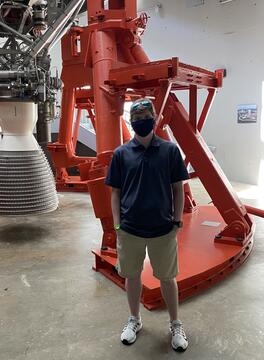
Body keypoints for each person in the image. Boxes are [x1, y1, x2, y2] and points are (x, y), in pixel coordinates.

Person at [104, 98, 189, 352]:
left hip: (163, 228)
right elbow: (115, 193)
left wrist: (177, 220)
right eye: (137, 119)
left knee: (167, 278)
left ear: (154, 118)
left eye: (146, 117)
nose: (142, 122)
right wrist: (118, 225)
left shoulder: (170, 151)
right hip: (130, 229)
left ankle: (175, 324)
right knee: (131, 276)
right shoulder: (121, 154)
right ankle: (134, 320)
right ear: (131, 122)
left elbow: (178, 189)